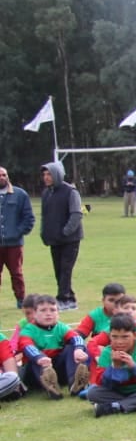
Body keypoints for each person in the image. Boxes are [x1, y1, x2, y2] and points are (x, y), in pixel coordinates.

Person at [86, 313, 136, 416]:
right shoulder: (107, 352)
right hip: (117, 392)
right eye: (115, 337)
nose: (119, 342)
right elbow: (101, 382)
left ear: (135, 335)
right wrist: (115, 368)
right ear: (110, 336)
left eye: (125, 337)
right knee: (93, 392)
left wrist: (134, 367)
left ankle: (116, 406)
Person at [17, 294, 90, 399]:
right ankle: (51, 387)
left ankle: (75, 384)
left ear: (58, 313)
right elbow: (28, 347)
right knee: (36, 356)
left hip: (58, 370)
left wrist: (78, 349)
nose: (48, 314)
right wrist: (39, 358)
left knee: (72, 346)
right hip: (36, 373)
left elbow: (77, 338)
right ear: (35, 314)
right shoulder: (27, 331)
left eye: (52, 310)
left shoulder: (61, 327)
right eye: (43, 310)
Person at [39, 161, 84, 311]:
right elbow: (44, 216)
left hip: (70, 240)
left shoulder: (70, 191)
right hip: (54, 240)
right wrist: (44, 233)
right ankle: (69, 297)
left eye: (49, 174)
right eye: (44, 174)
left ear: (57, 174)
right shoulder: (46, 193)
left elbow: (76, 214)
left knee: (65, 269)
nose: (46, 177)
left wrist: (65, 232)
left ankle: (63, 299)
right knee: (58, 269)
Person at [0, 166, 36, 310]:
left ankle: (21, 299)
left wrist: (18, 232)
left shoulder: (20, 194)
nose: (1, 177)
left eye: (4, 175)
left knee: (16, 273)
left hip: (14, 243)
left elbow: (29, 217)